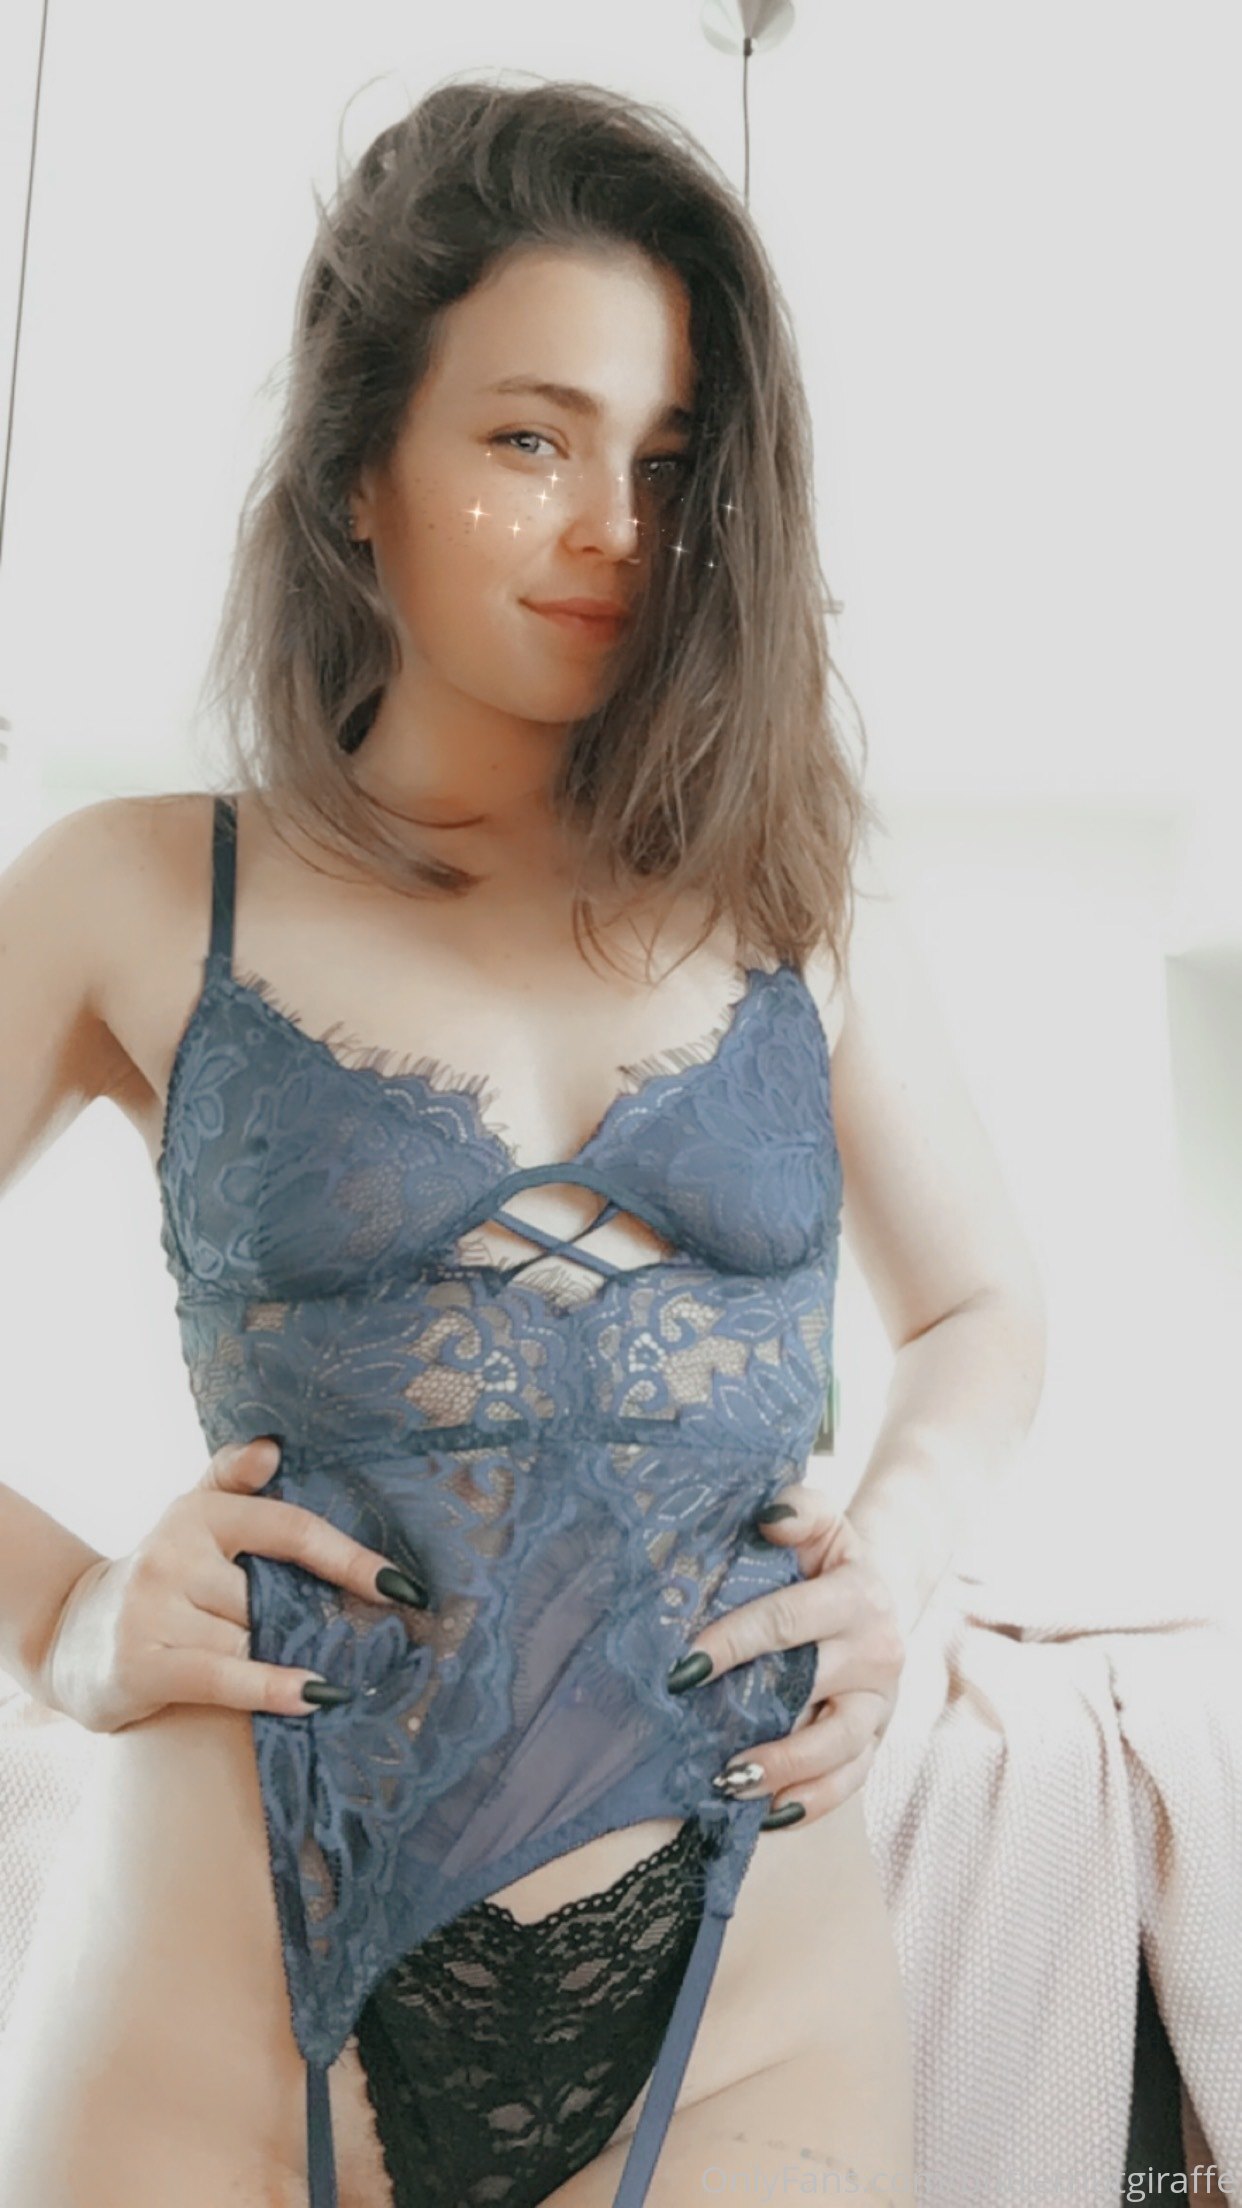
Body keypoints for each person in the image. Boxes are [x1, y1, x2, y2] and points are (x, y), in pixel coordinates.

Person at [0, 75, 1044, 2208]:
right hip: (217, 2002)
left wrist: (901, 1559)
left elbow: (982, 1310)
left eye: (668, 461)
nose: (615, 529)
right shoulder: (134, 890)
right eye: (529, 440)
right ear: (356, 469)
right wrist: (67, 1614)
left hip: (744, 2004)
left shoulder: (799, 901)